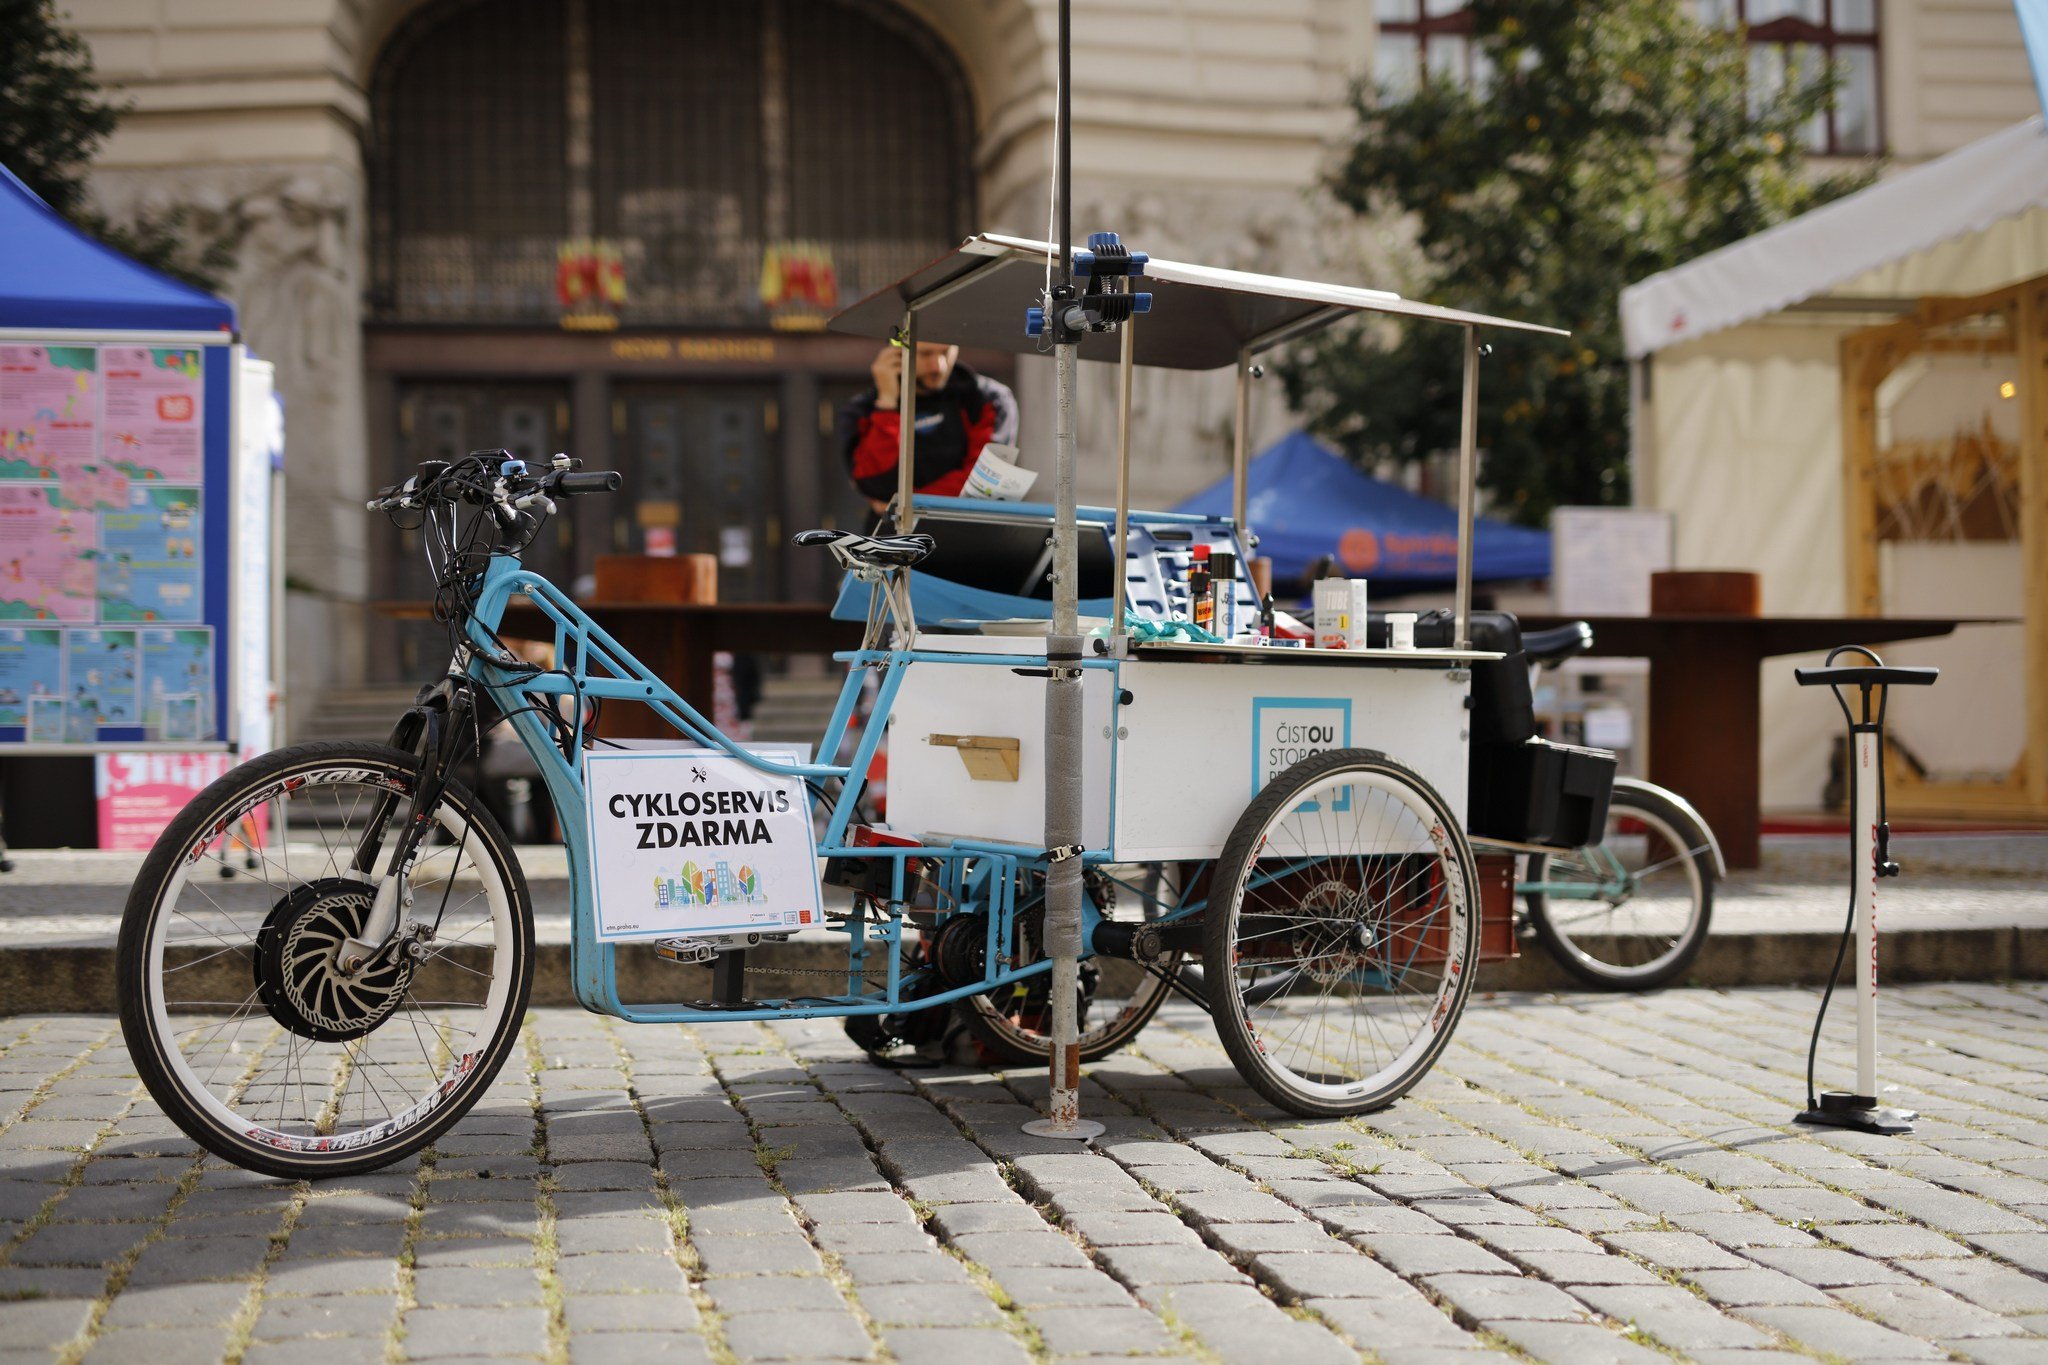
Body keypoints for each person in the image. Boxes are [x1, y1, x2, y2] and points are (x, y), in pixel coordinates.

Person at [838, 342, 1017, 513]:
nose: (938, 366)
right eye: (925, 354)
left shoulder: (988, 399)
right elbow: (874, 482)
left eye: (945, 352)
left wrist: (906, 504)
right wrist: (887, 404)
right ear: (895, 353)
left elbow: (983, 483)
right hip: (892, 536)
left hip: (966, 531)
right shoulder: (861, 411)